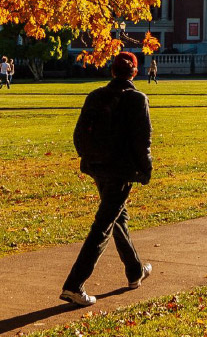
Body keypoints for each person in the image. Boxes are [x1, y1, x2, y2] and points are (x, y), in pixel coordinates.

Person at [60, 53, 153, 306]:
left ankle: (135, 271)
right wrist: (146, 170)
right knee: (103, 224)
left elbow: (78, 135)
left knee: (116, 216)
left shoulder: (95, 96)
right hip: (121, 171)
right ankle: (74, 284)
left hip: (97, 166)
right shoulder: (137, 99)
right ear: (134, 72)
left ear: (112, 72)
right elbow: (142, 141)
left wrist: (89, 157)